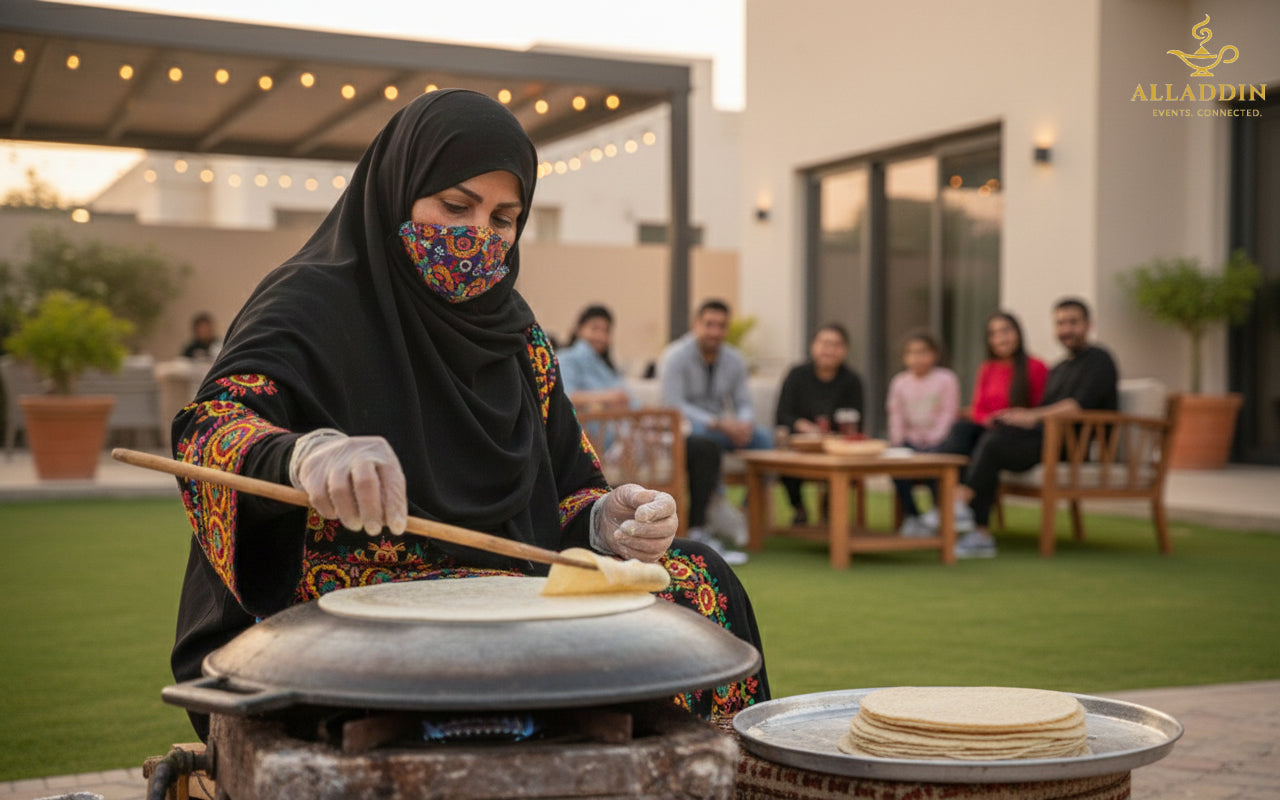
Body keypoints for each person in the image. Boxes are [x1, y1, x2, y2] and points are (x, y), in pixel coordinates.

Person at [169, 90, 768, 741]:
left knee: (703, 579)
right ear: (400, 190)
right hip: (341, 601)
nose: (479, 234)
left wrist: (605, 522)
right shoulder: (310, 304)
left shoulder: (516, 336)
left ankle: (702, 775)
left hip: (508, 592)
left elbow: (565, 489)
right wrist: (302, 455)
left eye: (504, 218)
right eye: (456, 206)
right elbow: (211, 428)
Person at [557, 304, 734, 562]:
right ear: (579, 329)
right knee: (701, 449)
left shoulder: (606, 366)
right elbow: (563, 398)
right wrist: (607, 398)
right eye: (594, 328)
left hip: (635, 435)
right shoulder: (568, 359)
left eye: (606, 330)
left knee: (704, 447)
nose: (600, 336)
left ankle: (700, 525)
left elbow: (633, 404)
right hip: (605, 443)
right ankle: (701, 524)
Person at [950, 298, 1119, 558]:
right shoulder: (1060, 367)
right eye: (1060, 323)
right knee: (975, 433)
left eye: (1073, 322)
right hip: (1043, 439)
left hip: (1070, 446)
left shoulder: (1100, 359)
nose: (1066, 329)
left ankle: (963, 506)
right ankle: (971, 523)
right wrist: (1014, 417)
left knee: (993, 444)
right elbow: (1043, 407)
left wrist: (1032, 416)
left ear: (1088, 325)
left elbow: (1076, 406)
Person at [658, 299, 770, 561]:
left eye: (721, 326)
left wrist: (743, 423)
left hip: (725, 427)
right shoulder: (675, 356)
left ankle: (746, 512)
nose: (715, 332)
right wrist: (718, 423)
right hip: (689, 428)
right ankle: (716, 505)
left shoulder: (734, 359)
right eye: (709, 324)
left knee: (764, 439)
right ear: (696, 325)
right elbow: (674, 405)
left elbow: (743, 402)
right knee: (703, 440)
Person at [920, 311, 1049, 531]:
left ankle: (962, 502)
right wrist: (988, 419)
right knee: (960, 430)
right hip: (989, 429)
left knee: (989, 444)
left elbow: (1040, 411)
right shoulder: (987, 368)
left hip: (1019, 438)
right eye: (994, 334)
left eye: (1005, 331)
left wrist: (1011, 418)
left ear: (1018, 333)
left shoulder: (1036, 367)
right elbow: (978, 408)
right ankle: (943, 503)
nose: (1000, 338)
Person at [774, 323, 865, 524]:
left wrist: (832, 435)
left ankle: (830, 511)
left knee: (844, 463)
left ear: (845, 350)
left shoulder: (852, 380)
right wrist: (802, 425)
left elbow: (857, 420)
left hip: (837, 447)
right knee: (784, 461)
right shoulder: (797, 375)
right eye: (825, 343)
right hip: (800, 446)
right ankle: (798, 508)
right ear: (813, 346)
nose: (829, 350)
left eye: (836, 345)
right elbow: (782, 414)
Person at [885, 331, 961, 535]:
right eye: (911, 353)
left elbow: (948, 413)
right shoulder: (900, 382)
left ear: (934, 354)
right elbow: (896, 415)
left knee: (934, 461)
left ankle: (936, 513)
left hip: (939, 441)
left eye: (922, 352)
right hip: (910, 441)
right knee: (895, 464)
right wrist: (898, 441)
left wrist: (934, 438)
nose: (916, 358)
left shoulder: (946, 379)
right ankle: (913, 515)